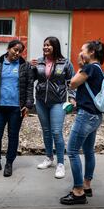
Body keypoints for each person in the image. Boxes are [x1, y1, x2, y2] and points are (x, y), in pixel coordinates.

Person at [60, 40, 104, 205]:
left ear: (91, 52)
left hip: (86, 116)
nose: (79, 53)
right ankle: (87, 185)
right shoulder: (99, 69)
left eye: (82, 50)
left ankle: (78, 192)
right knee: (88, 150)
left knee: (71, 150)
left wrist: (80, 64)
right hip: (95, 115)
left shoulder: (89, 67)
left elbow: (72, 83)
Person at [0, 40, 34, 177]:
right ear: (8, 48)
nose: (17, 53)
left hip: (16, 109)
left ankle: (9, 163)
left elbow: (30, 86)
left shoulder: (25, 66)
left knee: (13, 136)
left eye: (20, 51)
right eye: (14, 50)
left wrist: (28, 105)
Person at [31, 36, 75, 179]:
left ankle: (61, 163)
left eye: (48, 45)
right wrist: (30, 67)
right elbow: (32, 79)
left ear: (55, 46)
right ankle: (49, 158)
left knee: (56, 132)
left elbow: (71, 82)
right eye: (44, 45)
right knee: (46, 131)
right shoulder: (39, 62)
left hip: (58, 102)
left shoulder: (65, 62)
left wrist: (72, 97)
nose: (45, 47)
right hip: (41, 101)